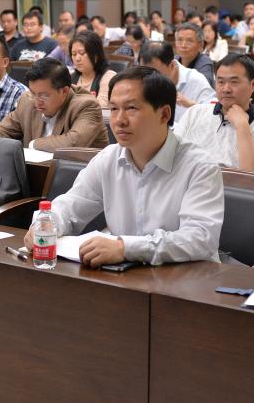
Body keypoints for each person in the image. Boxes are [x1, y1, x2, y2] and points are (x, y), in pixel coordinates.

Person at [23, 66, 224, 267]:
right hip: (124, 275)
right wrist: (46, 224)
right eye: (113, 109)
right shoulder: (108, 159)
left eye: (131, 108)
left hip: (185, 276)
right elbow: (71, 205)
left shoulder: (200, 166)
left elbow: (200, 238)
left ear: (164, 114)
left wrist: (126, 248)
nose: (119, 120)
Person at [174, 54, 254, 174]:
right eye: (221, 82)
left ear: (253, 85)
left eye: (234, 82)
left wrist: (242, 126)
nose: (226, 89)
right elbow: (170, 155)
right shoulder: (195, 113)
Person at [0, 58, 108, 150]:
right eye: (33, 93)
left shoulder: (87, 106)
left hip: (79, 174)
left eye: (43, 95)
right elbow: (1, 131)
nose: (37, 102)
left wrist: (33, 144)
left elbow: (73, 143)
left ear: (64, 91)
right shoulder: (27, 100)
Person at [139, 41, 213, 122]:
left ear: (172, 65)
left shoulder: (197, 80)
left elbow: (213, 116)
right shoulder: (141, 80)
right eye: (144, 72)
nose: (150, 79)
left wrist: (192, 105)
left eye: (155, 73)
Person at [70, 30, 116, 109]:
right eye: (74, 54)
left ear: (96, 55)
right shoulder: (71, 78)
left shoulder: (108, 77)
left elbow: (100, 107)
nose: (77, 58)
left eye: (82, 53)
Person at [173, 22, 215, 86]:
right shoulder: (173, 60)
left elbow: (203, 86)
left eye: (189, 41)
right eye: (180, 40)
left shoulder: (205, 62)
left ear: (201, 45)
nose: (183, 45)